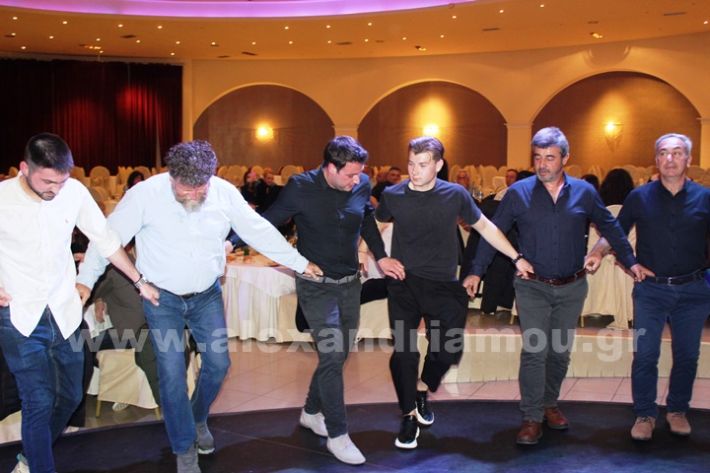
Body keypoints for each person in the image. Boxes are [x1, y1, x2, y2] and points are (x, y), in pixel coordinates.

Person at [77, 140, 321, 473]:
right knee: (172, 374)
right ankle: (184, 448)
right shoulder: (145, 195)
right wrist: (85, 281)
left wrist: (299, 262)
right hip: (161, 299)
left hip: (206, 295)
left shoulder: (223, 193)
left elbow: (258, 230)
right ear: (171, 176)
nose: (194, 194)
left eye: (201, 187)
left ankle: (197, 417)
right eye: (185, 188)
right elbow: (108, 239)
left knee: (219, 364)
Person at [463, 127, 646, 446]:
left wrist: (629, 262)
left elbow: (611, 227)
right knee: (535, 351)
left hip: (572, 287)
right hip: (532, 287)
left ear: (565, 158)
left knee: (559, 353)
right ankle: (532, 416)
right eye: (537, 157)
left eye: (550, 157)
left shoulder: (584, 193)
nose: (542, 164)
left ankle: (549, 403)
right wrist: (476, 271)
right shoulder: (518, 193)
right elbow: (493, 233)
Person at [0, 133, 156, 473]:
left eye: (62, 180)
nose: (56, 189)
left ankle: (30, 457)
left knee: (71, 396)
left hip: (64, 311)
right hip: (19, 315)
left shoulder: (73, 192)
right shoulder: (2, 199)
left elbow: (105, 239)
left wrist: (139, 281)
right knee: (38, 400)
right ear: (24, 168)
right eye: (47, 181)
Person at [376, 136, 533, 450]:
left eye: (422, 165)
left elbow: (486, 228)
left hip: (444, 285)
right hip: (404, 282)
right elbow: (374, 226)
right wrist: (375, 255)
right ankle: (408, 415)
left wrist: (516, 257)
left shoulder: (455, 194)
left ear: (438, 165)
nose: (414, 170)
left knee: (449, 350)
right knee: (404, 352)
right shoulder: (393, 195)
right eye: (411, 163)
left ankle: (422, 388)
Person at [259, 136, 405, 465]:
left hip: (350, 284)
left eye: (359, 174)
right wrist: (230, 242)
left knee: (337, 356)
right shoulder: (301, 187)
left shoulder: (360, 182)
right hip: (315, 285)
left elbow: (366, 220)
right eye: (350, 175)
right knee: (332, 353)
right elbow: (264, 224)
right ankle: (338, 434)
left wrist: (381, 256)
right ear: (330, 167)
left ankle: (311, 412)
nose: (357, 180)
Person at [588, 133, 709, 441]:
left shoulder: (704, 197)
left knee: (687, 356)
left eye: (677, 153)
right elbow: (615, 233)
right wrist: (600, 253)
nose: (670, 159)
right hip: (651, 291)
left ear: (688, 159)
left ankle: (677, 410)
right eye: (664, 153)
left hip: (693, 291)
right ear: (656, 160)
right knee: (645, 355)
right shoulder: (639, 197)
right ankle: (645, 413)